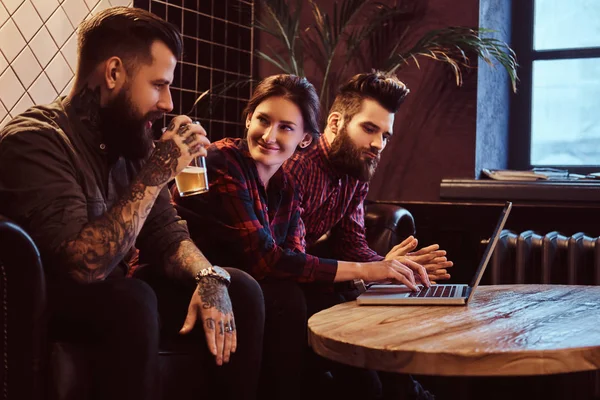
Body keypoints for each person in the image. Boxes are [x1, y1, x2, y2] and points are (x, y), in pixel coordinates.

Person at [0, 7, 264, 400]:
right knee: (131, 299)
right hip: (45, 307)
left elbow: (167, 235)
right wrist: (159, 171)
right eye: (158, 85)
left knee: (238, 288)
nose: (169, 103)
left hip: (117, 304)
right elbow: (83, 266)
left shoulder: (129, 143)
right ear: (113, 73)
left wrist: (209, 277)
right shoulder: (34, 141)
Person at [173, 74, 433, 400]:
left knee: (342, 306)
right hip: (192, 278)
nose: (270, 135)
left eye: (285, 127)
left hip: (262, 283)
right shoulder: (227, 162)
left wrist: (392, 269)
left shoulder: (288, 184)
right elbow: (267, 258)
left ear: (303, 138)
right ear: (249, 119)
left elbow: (308, 252)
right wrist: (373, 271)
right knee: (289, 297)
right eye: (263, 120)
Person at [283, 71, 454, 284]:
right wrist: (375, 270)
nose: (378, 144)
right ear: (335, 123)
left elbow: (352, 247)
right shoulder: (297, 166)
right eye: (369, 129)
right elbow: (292, 260)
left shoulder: (356, 171)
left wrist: (393, 267)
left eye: (384, 136)